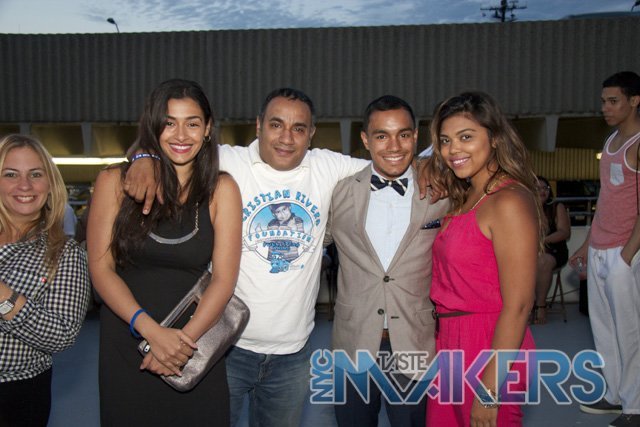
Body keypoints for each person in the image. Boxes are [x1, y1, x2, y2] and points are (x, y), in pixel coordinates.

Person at [122, 87, 373, 426]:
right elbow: (168, 143)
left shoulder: (328, 166)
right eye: (276, 124)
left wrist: (429, 168)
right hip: (223, 345)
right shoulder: (226, 160)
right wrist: (143, 157)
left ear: (311, 133)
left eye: (299, 128)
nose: (286, 137)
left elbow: (392, 163)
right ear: (258, 125)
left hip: (293, 356)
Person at [87, 79, 242, 426]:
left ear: (208, 129)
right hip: (127, 344)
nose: (181, 135)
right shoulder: (114, 182)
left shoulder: (222, 189)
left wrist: (181, 344)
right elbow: (101, 269)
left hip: (193, 345)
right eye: (169, 122)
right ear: (153, 125)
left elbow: (224, 280)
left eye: (192, 123)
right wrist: (151, 332)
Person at [325, 95, 449, 426]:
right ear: (365, 139)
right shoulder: (339, 192)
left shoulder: (442, 191)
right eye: (381, 135)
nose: (394, 146)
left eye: (403, 135)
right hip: (353, 341)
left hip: (415, 341)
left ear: (415, 137)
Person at [427, 92, 541, 426]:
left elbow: (519, 305)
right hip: (450, 341)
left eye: (466, 137)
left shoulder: (508, 201)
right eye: (445, 141)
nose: (453, 150)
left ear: (495, 138)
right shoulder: (467, 194)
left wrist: (489, 390)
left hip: (488, 344)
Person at [0, 134, 90, 427]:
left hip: (16, 395)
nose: (24, 185)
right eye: (10, 174)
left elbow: (62, 335)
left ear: (50, 184)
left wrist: (4, 296)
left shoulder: (64, 253)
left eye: (35, 174)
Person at [570, 71, 640, 427]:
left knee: (629, 332)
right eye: (603, 101)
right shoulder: (612, 140)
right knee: (604, 329)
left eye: (613, 101)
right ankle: (614, 395)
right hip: (600, 247)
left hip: (625, 252)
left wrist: (626, 257)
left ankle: (635, 406)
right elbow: (607, 198)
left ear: (635, 101)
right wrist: (587, 244)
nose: (605, 108)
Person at [531, 175, 570, 324]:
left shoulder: (556, 207)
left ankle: (540, 306)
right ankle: (526, 303)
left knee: (543, 261)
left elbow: (564, 232)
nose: (542, 191)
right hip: (530, 251)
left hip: (554, 250)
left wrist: (542, 241)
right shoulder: (525, 207)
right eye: (537, 188)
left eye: (545, 188)